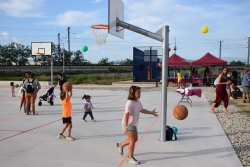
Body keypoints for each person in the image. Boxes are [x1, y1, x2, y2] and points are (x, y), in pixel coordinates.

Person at [116, 85, 158, 165]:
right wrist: (125, 126)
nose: (140, 94)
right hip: (127, 124)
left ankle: (120, 145)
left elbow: (142, 110)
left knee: (135, 139)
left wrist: (151, 112)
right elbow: (127, 114)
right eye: (138, 93)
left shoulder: (138, 102)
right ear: (133, 93)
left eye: (140, 93)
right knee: (132, 140)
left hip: (134, 124)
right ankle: (130, 158)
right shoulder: (129, 103)